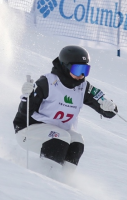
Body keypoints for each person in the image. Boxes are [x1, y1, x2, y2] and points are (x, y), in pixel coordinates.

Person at [13, 45, 117, 173]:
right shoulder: (47, 83)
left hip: (58, 133)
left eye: (85, 70)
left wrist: (109, 107)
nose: (82, 75)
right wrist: (27, 97)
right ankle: (46, 174)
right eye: (78, 70)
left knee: (77, 141)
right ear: (66, 66)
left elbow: (107, 111)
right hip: (29, 130)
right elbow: (25, 112)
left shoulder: (83, 87)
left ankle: (64, 179)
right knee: (61, 137)